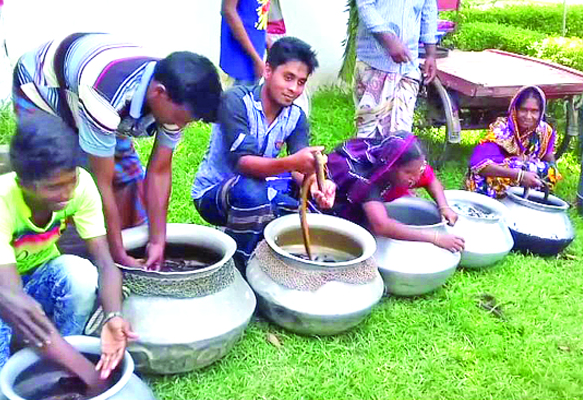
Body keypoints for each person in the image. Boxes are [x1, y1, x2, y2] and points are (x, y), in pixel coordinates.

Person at [12, 32, 223, 270]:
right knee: (60, 180)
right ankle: (60, 262)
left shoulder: (178, 95)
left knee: (130, 178)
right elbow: (102, 185)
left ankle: (120, 248)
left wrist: (157, 240)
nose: (181, 126)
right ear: (159, 93)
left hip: (89, 90)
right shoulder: (106, 96)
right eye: (179, 119)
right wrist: (117, 254)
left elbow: (160, 172)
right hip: (41, 89)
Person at [0, 112, 136, 388]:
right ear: (24, 184)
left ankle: (60, 356)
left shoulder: (81, 186)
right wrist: (92, 378)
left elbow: (105, 264)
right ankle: (62, 358)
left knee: (81, 274)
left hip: (40, 278)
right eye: (54, 187)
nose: (67, 194)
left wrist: (113, 316)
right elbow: (16, 305)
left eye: (71, 180)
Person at [192, 37, 336, 272]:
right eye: (288, 78)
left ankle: (253, 250)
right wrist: (291, 162)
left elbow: (300, 169)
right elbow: (244, 165)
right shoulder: (236, 101)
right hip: (213, 195)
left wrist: (317, 185)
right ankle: (235, 270)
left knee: (301, 214)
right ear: (268, 71)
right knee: (251, 190)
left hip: (260, 192)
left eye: (301, 82)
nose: (293, 89)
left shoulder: (296, 116)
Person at [326, 131, 465, 253]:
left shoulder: (411, 168)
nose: (415, 178)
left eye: (420, 170)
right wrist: (434, 237)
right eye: (409, 172)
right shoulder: (367, 180)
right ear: (389, 167)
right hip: (332, 206)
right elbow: (381, 225)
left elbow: (431, 181)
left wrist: (444, 207)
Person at [354, 0, 438, 138]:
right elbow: (365, 5)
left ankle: (396, 159)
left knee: (401, 134)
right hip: (374, 62)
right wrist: (388, 40)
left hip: (408, 66)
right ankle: (366, 158)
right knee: (368, 131)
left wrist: (430, 54)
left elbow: (429, 10)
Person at [466, 85, 561, 198]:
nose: (528, 116)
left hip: (526, 179)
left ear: (541, 113)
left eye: (534, 111)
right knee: (520, 167)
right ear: (515, 109)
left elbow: (549, 158)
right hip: (497, 181)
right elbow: (478, 165)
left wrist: (552, 170)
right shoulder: (501, 131)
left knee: (543, 169)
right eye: (523, 110)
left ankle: (529, 198)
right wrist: (520, 175)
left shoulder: (544, 131)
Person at [221, 0, 270, 86]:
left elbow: (254, 13)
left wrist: (267, 41)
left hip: (256, 58)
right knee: (235, 96)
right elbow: (228, 11)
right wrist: (256, 59)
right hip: (238, 61)